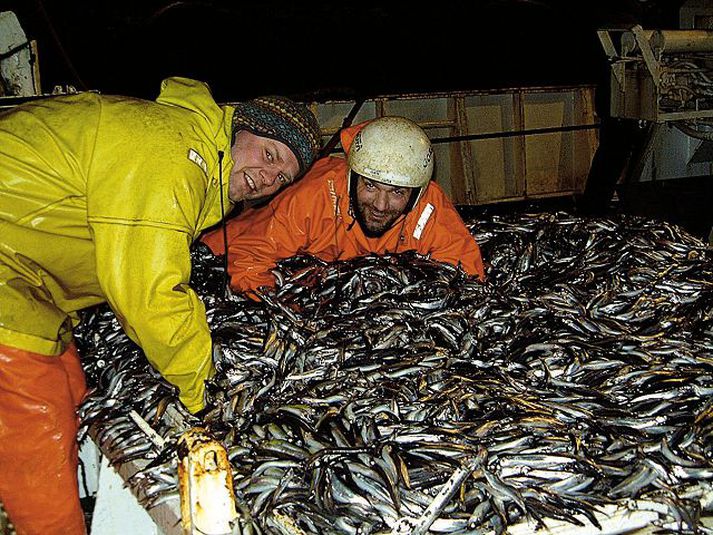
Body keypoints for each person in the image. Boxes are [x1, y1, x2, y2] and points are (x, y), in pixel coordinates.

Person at [0, 76, 321, 535]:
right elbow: (152, 295)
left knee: (71, 384)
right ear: (240, 129)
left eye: (282, 176)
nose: (268, 178)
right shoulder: (172, 153)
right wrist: (206, 395)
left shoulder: (192, 153)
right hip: (8, 267)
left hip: (27, 272)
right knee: (38, 415)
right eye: (269, 155)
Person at [202, 116, 485, 295]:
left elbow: (467, 273)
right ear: (351, 179)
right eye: (370, 186)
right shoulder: (314, 197)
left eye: (397, 192)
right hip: (223, 247)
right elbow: (249, 256)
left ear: (417, 192)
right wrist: (289, 309)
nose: (381, 204)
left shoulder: (428, 208)